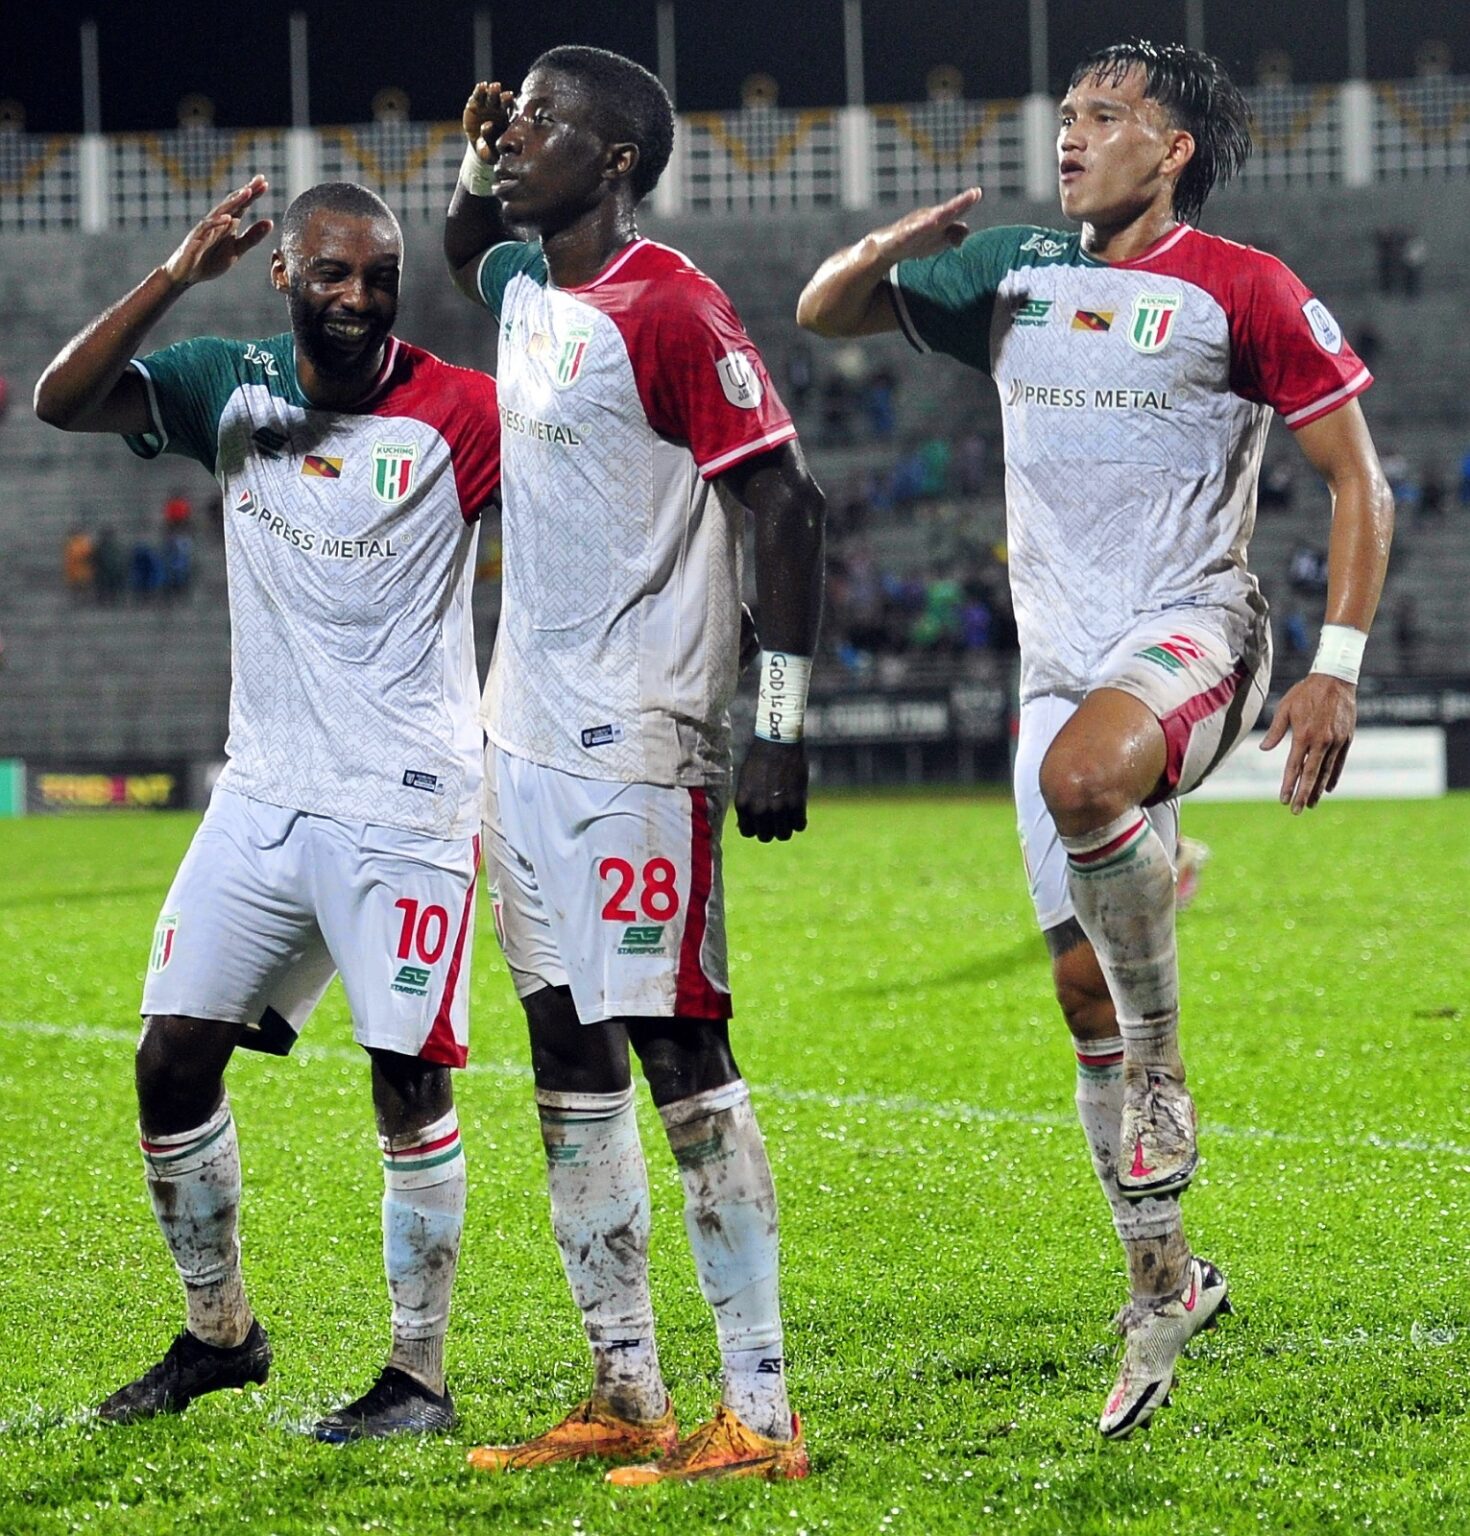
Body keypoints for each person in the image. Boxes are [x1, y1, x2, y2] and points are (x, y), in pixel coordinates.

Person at [797, 38, 1393, 1439]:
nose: (1070, 135)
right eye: (1065, 114)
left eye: (1105, 116)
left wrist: (1338, 669)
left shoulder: (1241, 287)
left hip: (1198, 631)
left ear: (1170, 149)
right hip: (1058, 674)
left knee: (1084, 790)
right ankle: (1164, 1287)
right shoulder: (1012, 272)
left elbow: (1355, 476)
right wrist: (897, 245)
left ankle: (1167, 1071)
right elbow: (825, 312)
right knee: (1080, 1000)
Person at [34, 176, 500, 1441]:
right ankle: (220, 1335)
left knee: (407, 1077)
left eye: (381, 277)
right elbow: (61, 400)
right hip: (264, 793)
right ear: (284, 273)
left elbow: (581, 504)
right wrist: (174, 278)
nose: (359, 297)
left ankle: (417, 1377)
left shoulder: (462, 412)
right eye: (333, 273)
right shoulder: (226, 387)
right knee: (169, 1061)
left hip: (405, 802)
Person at [443, 47, 824, 1483]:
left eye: (543, 121)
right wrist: (475, 152)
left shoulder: (670, 306)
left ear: (613, 163)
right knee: (565, 1052)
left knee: (680, 1053)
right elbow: (466, 242)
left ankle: (761, 1412)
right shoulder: (532, 292)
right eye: (515, 114)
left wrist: (777, 727)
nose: (517, 132)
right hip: (522, 736)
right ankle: (624, 1387)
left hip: (639, 743)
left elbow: (788, 506)